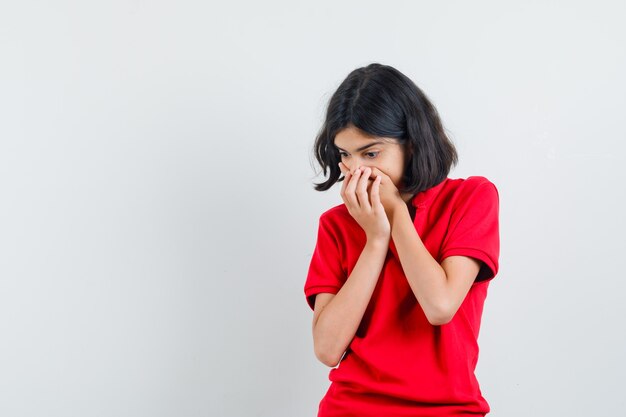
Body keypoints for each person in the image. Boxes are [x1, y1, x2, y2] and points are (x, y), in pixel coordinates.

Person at [304, 63, 500, 417]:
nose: (355, 170)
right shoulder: (335, 225)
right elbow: (328, 350)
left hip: (448, 409)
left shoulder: (471, 199)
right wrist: (375, 240)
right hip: (350, 407)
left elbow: (440, 306)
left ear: (412, 144)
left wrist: (395, 215)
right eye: (345, 155)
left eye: (371, 153)